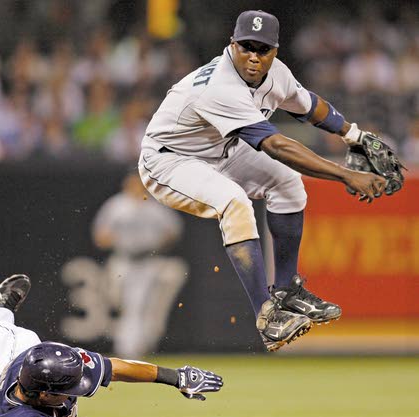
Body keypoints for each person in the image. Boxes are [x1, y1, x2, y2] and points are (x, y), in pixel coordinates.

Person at [138, 10, 387, 352]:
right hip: (169, 160)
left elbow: (309, 106)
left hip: (219, 150)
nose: (254, 56)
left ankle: (286, 290)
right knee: (234, 201)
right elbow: (277, 145)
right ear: (232, 45)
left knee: (287, 182)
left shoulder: (277, 73)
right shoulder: (219, 85)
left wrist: (353, 135)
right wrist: (345, 174)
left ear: (275, 51)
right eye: (247, 46)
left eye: (263, 49)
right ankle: (266, 316)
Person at [0, 275, 223, 417]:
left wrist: (176, 377)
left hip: (22, 361)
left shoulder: (54, 364)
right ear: (43, 394)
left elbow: (116, 368)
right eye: (67, 387)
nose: (75, 389)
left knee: (22, 339)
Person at [92, 172, 188, 358]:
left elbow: (173, 232)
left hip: (147, 262)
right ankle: (134, 346)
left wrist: (153, 242)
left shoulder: (155, 206)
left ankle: (129, 350)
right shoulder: (116, 205)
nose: (135, 187)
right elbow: (100, 236)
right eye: (132, 183)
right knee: (119, 303)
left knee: (136, 306)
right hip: (122, 260)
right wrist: (119, 239)